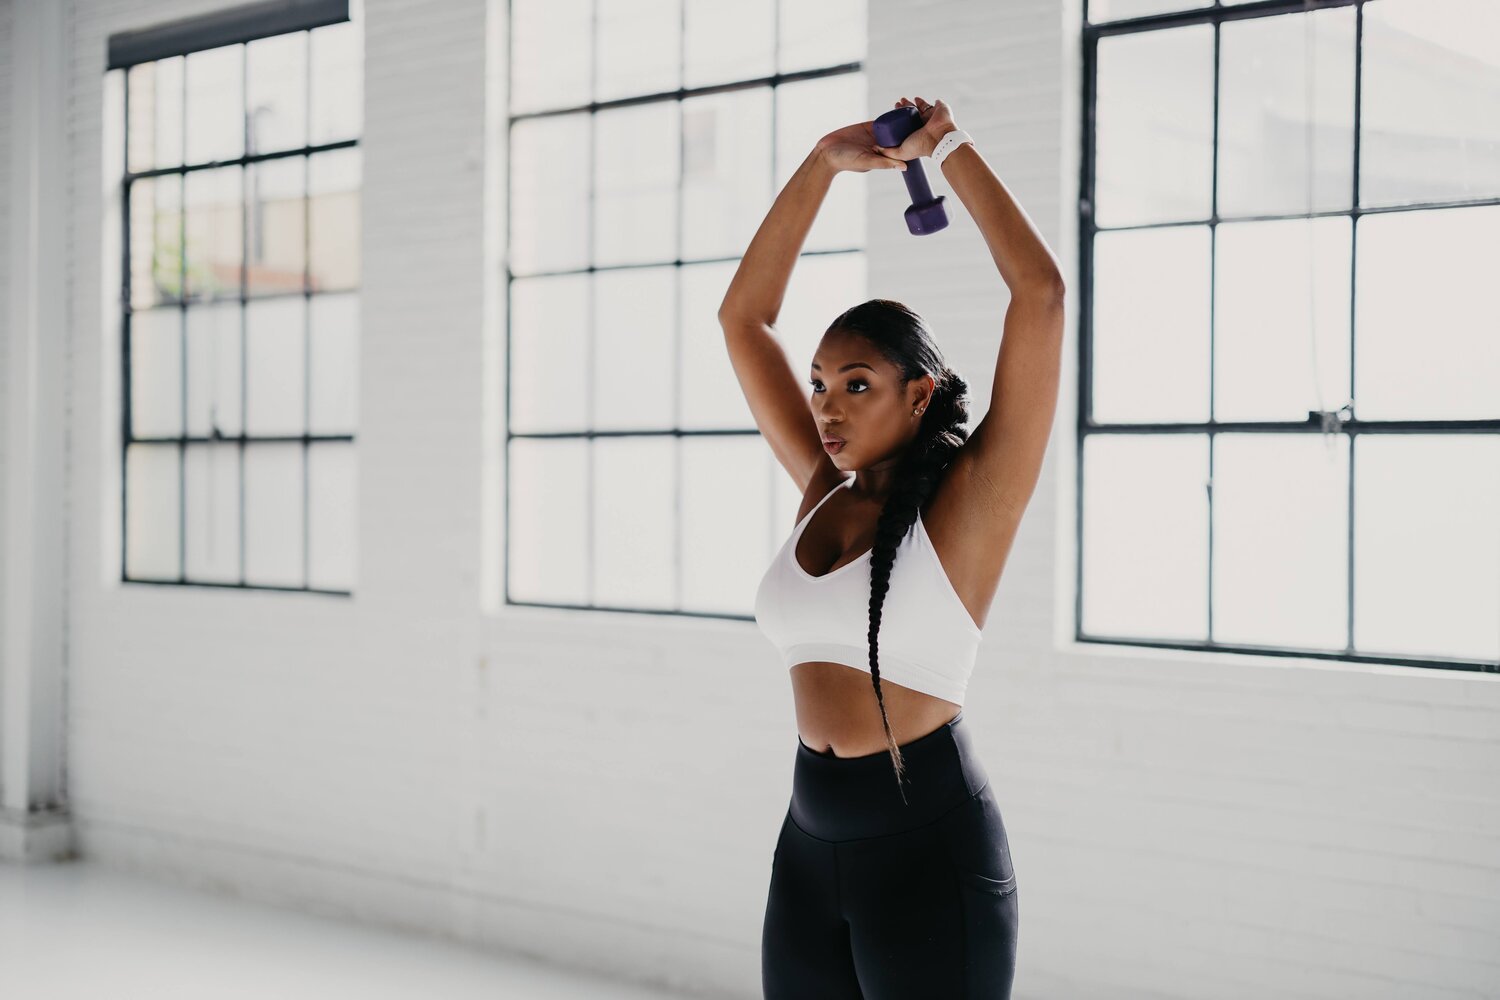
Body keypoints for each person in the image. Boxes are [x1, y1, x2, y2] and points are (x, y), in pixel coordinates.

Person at [718, 96, 1065, 998]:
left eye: (858, 385)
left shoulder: (969, 500)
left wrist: (944, 147)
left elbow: (1042, 294)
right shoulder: (820, 486)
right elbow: (743, 320)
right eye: (822, 384)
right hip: (807, 848)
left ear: (920, 395)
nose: (828, 408)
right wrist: (824, 164)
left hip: (930, 860)